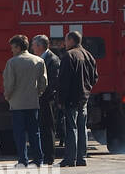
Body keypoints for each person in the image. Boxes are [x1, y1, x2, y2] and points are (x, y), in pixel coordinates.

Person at [3, 35, 46, 167]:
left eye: (13, 47)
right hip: (33, 102)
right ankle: (39, 159)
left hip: (17, 104)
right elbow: (43, 83)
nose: (11, 50)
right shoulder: (38, 61)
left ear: (18, 47)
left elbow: (9, 84)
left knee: (20, 134)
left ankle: (23, 160)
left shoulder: (12, 62)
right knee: (35, 132)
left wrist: (7, 96)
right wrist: (37, 93)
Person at [58, 30, 97, 166]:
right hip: (84, 98)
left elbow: (63, 81)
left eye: (66, 40)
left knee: (71, 128)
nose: (64, 43)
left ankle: (70, 158)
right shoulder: (88, 55)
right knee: (82, 127)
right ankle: (82, 157)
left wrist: (60, 100)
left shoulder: (69, 56)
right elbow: (94, 77)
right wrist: (87, 89)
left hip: (71, 98)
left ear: (72, 41)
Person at [32, 35, 60, 166]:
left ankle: (49, 156)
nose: (32, 48)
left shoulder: (52, 60)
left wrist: (42, 96)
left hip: (48, 100)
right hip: (40, 100)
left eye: (34, 45)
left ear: (40, 46)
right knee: (41, 128)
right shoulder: (39, 59)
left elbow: (53, 83)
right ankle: (42, 154)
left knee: (48, 128)